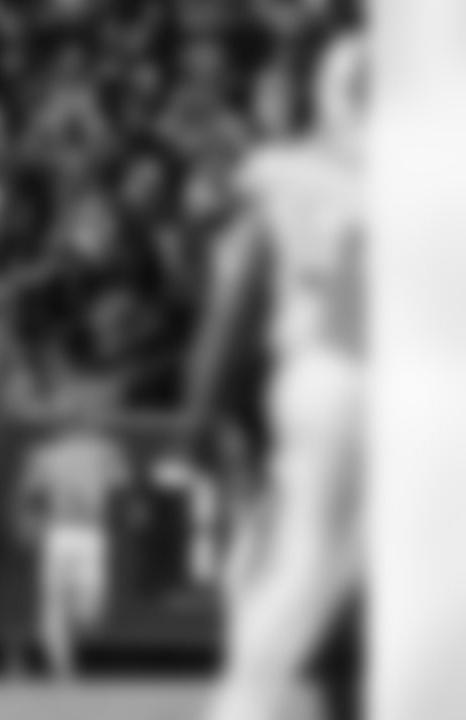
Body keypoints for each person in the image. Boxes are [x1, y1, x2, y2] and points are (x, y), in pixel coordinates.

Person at [170, 34, 366, 720]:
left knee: (300, 571)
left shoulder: (288, 175)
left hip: (328, 376)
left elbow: (235, 307)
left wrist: (196, 415)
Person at [15, 425, 129, 680]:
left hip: (91, 532)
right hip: (59, 531)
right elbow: (29, 492)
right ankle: (63, 668)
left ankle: (65, 647)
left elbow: (121, 482)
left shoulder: (104, 451)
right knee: (54, 604)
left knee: (91, 607)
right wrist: (27, 521)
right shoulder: (45, 454)